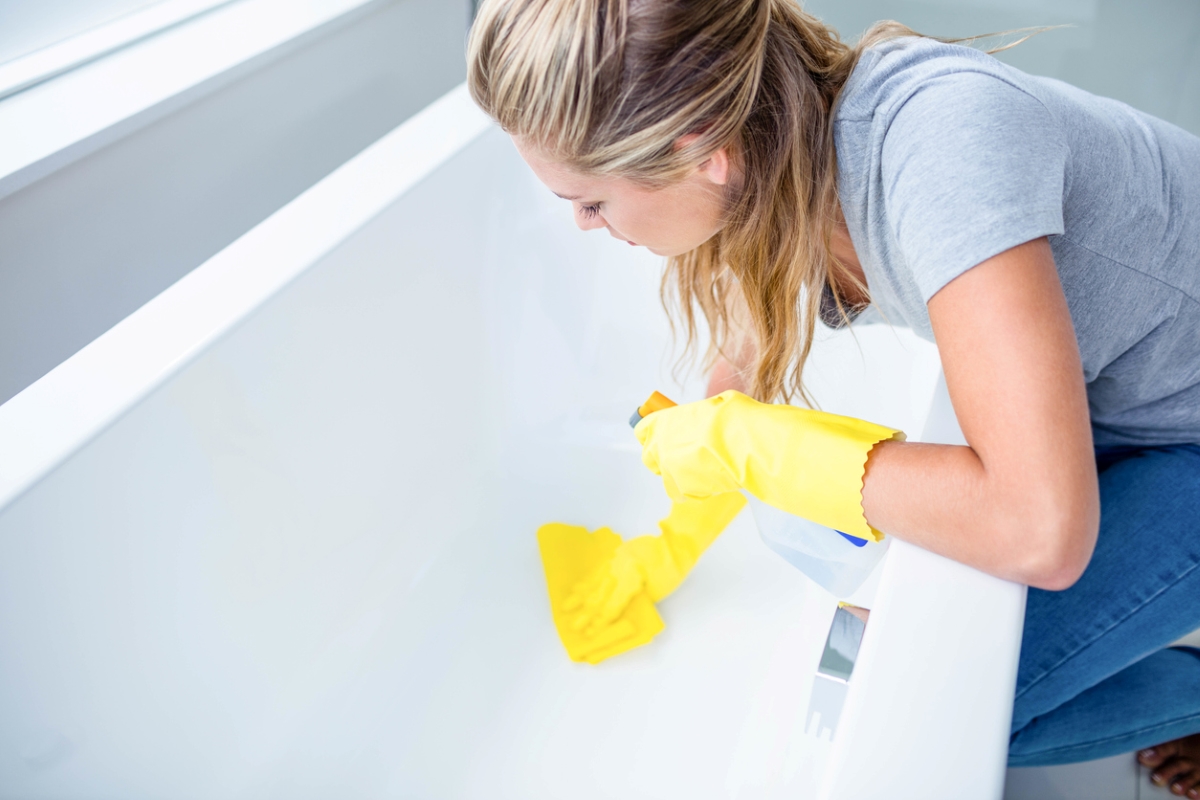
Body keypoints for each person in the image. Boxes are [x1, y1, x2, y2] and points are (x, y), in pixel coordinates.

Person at [466, 0, 1200, 786]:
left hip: (1184, 432)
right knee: (909, 657)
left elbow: (1039, 532)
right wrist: (684, 508)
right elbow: (739, 369)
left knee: (942, 708)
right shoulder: (783, 149)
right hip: (1127, 394)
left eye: (591, 200)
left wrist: (748, 446)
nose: (583, 224)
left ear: (699, 149)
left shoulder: (939, 146)